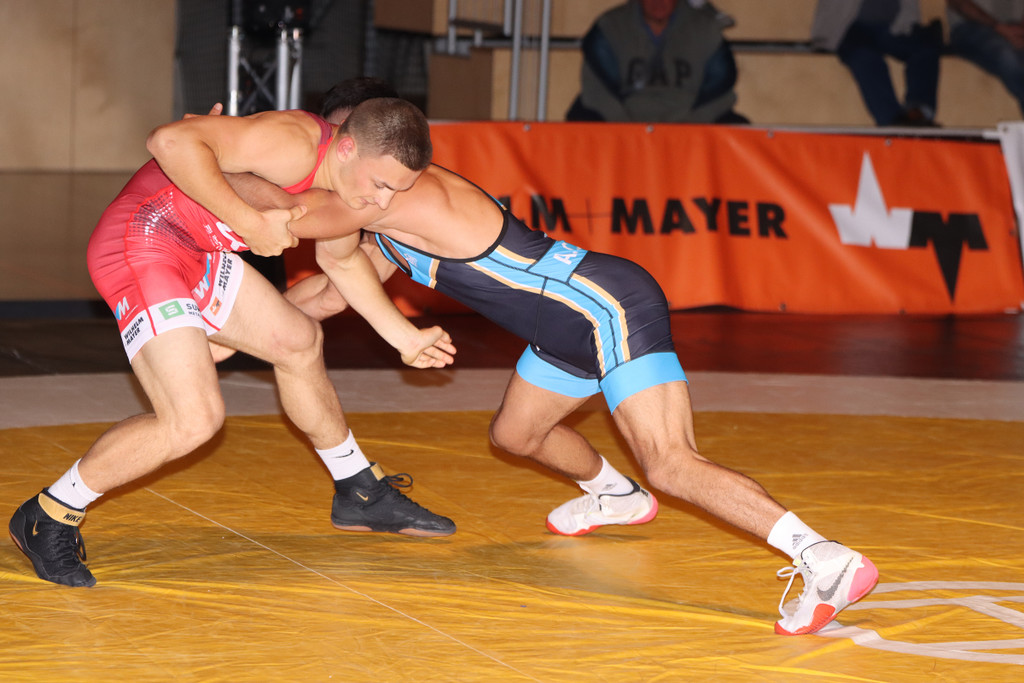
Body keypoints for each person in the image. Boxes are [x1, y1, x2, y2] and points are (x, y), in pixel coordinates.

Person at [228, 79, 879, 636]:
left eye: (342, 152)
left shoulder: (405, 196)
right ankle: (614, 494)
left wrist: (212, 165)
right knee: (516, 435)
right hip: (562, 329)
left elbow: (292, 212)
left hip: (604, 305)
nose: (337, 171)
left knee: (670, 461)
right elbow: (326, 294)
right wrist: (227, 331)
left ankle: (822, 557)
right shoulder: (383, 222)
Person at [8, 98, 460, 589]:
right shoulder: (293, 142)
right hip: (143, 239)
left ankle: (358, 490)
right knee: (193, 420)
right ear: (347, 148)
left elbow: (343, 265)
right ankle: (49, 513)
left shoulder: (344, 190)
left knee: (298, 339)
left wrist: (405, 337)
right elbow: (168, 140)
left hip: (193, 248)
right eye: (381, 185)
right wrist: (247, 221)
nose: (383, 202)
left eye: (396, 191)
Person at [565, 0, 748, 124]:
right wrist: (624, 129)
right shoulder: (610, 26)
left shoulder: (706, 29)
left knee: (738, 128)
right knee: (580, 120)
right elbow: (596, 91)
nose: (658, 1)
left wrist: (690, 126)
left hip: (690, 121)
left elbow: (721, 94)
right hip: (623, 122)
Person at [811, 0, 943, 126]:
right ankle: (893, 121)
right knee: (864, 56)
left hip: (895, 27)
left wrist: (910, 23)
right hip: (849, 28)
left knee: (926, 47)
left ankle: (917, 113)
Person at [947, 0, 1024, 117]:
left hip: (1013, 28)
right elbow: (959, 3)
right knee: (1008, 57)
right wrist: (999, 27)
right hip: (970, 26)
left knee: (1011, 58)